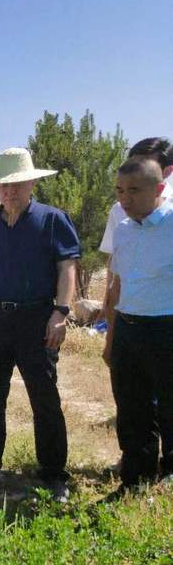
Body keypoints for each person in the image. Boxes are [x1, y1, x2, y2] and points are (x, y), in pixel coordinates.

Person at [0, 148, 80, 502]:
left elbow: (67, 267)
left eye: (16, 185)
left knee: (44, 398)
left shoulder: (52, 219)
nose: (9, 192)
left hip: (37, 319)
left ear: (31, 183)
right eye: (3, 186)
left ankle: (54, 474)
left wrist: (61, 313)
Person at [99, 138, 173, 472]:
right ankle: (137, 469)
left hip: (166, 328)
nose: (125, 199)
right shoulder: (124, 230)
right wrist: (111, 338)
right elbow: (117, 284)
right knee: (130, 405)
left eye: (133, 190)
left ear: (159, 187)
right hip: (129, 327)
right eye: (119, 191)